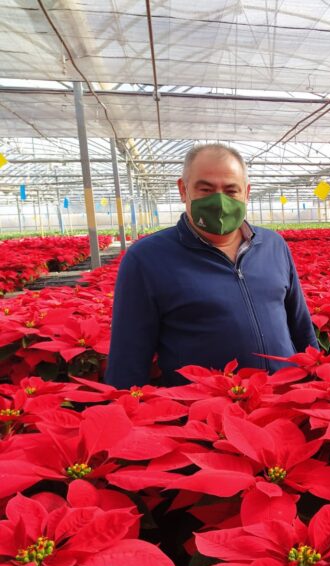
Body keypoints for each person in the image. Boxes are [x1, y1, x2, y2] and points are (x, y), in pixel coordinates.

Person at [106, 143, 318, 388]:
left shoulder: (274, 245)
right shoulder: (147, 258)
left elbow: (300, 325)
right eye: (206, 189)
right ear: (183, 190)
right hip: (206, 416)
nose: (220, 201)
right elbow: (128, 356)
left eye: (231, 190)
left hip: (285, 403)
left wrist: (316, 382)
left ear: (246, 193)